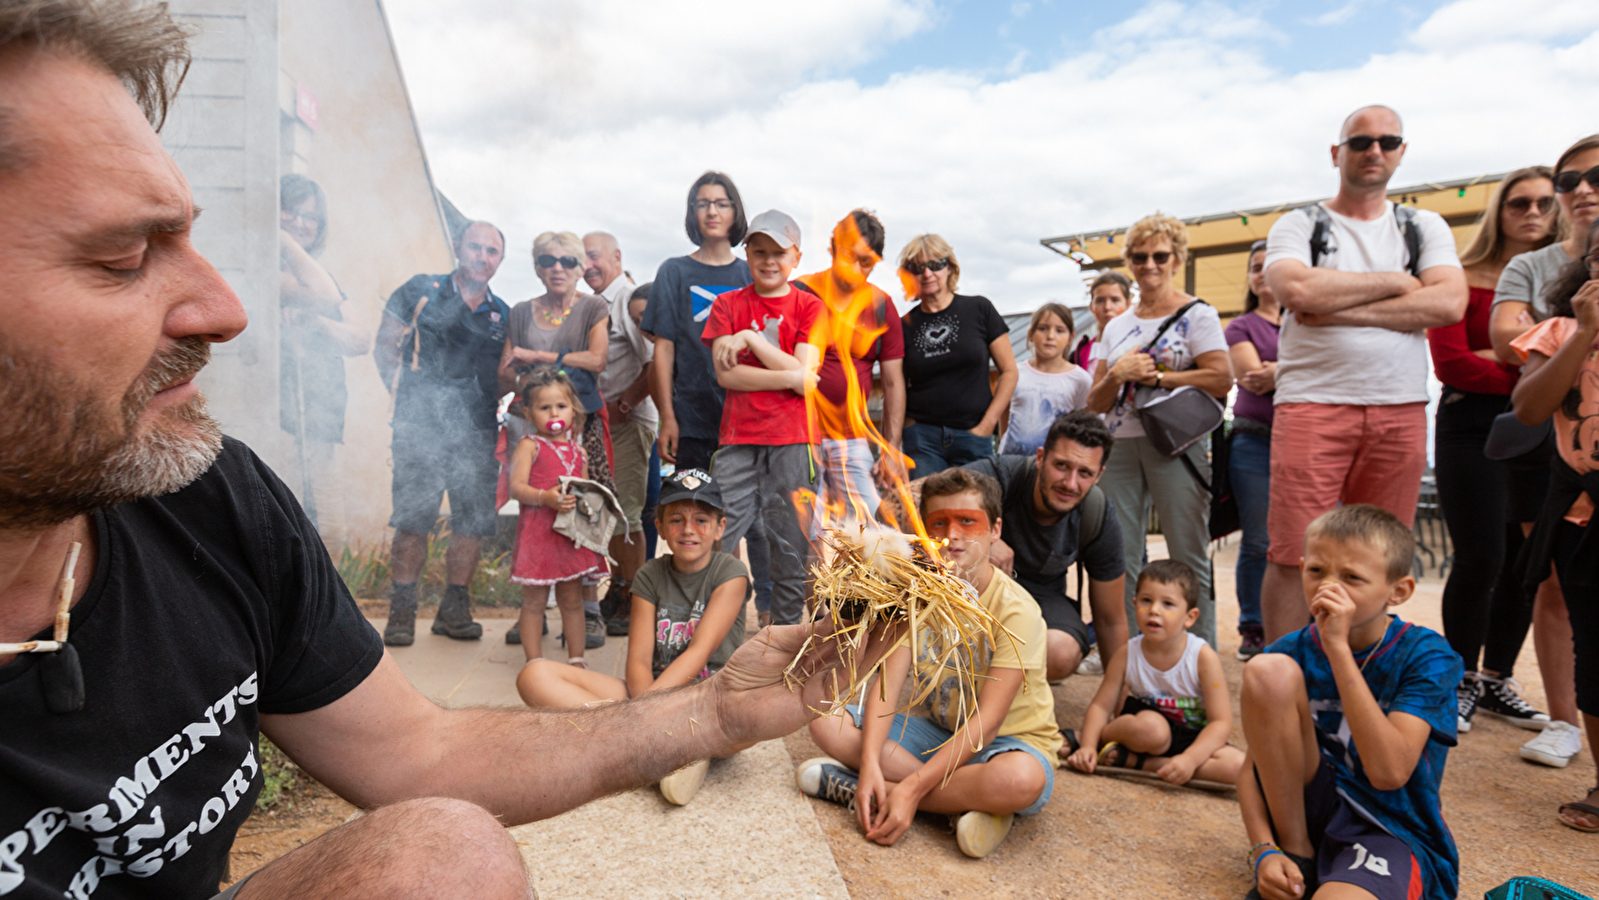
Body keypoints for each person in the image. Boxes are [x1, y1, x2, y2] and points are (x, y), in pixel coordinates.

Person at [0, 8, 863, 898]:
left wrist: (713, 713)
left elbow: (418, 749)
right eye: (122, 257)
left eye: (188, 237)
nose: (224, 309)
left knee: (443, 852)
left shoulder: (204, 498)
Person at [1260, 105, 1468, 643]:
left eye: (1387, 140)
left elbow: (1449, 303)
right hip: (1312, 404)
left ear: (1401, 151)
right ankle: (1290, 677)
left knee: (1378, 557)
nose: (1374, 150)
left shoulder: (1424, 226)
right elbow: (1297, 292)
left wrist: (1341, 308)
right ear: (1337, 153)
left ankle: (1357, 676)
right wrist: (1400, 284)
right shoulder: (1300, 223)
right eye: (1360, 141)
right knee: (1293, 554)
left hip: (1399, 407)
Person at [797, 468, 1058, 860]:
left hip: (1007, 744)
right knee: (824, 720)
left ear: (995, 529)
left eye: (968, 522)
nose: (952, 534)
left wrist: (912, 788)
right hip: (939, 733)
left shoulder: (1017, 610)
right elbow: (886, 685)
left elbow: (986, 725)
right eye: (939, 523)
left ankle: (872, 793)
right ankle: (960, 806)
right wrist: (869, 764)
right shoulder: (916, 593)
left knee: (1020, 781)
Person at [1239, 505, 1462, 900]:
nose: (1329, 588)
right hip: (1307, 815)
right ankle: (1298, 854)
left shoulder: (1426, 655)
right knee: (1267, 670)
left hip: (1390, 828)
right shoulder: (1289, 652)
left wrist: (1337, 650)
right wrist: (1264, 850)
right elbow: (1252, 767)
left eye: (1352, 578)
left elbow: (1388, 772)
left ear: (1399, 591)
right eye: (1316, 571)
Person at [516, 469, 750, 806]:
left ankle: (632, 748)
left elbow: (699, 651)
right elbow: (639, 660)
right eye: (676, 519)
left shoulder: (730, 573)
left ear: (719, 528)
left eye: (701, 520)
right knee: (534, 675)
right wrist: (644, 714)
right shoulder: (649, 574)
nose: (688, 530)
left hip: (707, 701)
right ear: (659, 527)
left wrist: (639, 718)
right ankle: (665, 752)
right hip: (649, 696)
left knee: (746, 718)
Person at [1430, 168, 1559, 738]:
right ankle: (1455, 680)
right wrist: (1533, 368)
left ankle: (1495, 677)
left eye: (1543, 203)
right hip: (1469, 425)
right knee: (1480, 554)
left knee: (1527, 562)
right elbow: (1451, 362)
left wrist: (1512, 357)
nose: (1532, 212)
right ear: (1498, 212)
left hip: (1542, 426)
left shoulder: (1566, 281)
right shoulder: (1462, 277)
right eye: (1518, 203)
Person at [1085, 213, 1232, 649]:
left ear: (1176, 258)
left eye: (1160, 256)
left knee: (1187, 552)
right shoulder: (1116, 325)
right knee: (1122, 555)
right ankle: (1130, 660)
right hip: (1121, 444)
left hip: (1178, 444)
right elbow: (1095, 401)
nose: (1150, 264)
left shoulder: (1198, 314)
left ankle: (1198, 657)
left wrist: (1161, 378)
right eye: (1140, 256)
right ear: (1129, 262)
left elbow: (1222, 378)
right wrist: (1118, 374)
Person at [641, 171, 775, 618]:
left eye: (721, 203)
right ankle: (705, 618)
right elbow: (663, 350)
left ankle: (751, 617)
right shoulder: (674, 272)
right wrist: (668, 417)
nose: (712, 211)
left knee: (748, 523)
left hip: (749, 422)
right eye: (702, 203)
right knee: (699, 518)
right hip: (695, 420)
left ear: (735, 212)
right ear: (692, 213)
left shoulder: (750, 271)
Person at [375, 217, 510, 646]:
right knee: (413, 520)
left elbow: (505, 376)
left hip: (478, 432)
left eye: (491, 251)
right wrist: (406, 399)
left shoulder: (502, 314)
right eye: (475, 247)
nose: (482, 257)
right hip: (420, 428)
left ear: (500, 259)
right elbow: (385, 345)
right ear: (457, 246)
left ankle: (454, 609)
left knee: (471, 524)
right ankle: (402, 609)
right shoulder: (420, 290)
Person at [1509, 222, 1599, 832]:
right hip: (1581, 515)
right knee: (1593, 648)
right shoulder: (1559, 332)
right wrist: (1586, 331)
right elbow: (1530, 408)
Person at [700, 209, 823, 627]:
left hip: (794, 440)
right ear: (747, 254)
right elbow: (726, 374)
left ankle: (783, 645)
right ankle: (720, 641)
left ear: (796, 258)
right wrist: (792, 376)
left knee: (789, 547)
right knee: (717, 540)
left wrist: (751, 337)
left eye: (779, 252)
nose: (769, 261)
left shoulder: (810, 307)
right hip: (738, 440)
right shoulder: (727, 304)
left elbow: (806, 381)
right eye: (759, 252)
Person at [499, 230, 612, 650]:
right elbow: (507, 368)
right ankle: (531, 611)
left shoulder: (593, 306)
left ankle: (589, 611)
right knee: (534, 508)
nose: (557, 268)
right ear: (536, 267)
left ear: (581, 266)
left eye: (567, 261)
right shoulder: (520, 311)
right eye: (548, 260)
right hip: (528, 422)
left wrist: (537, 358)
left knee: (584, 508)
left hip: (580, 421)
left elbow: (597, 360)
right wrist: (523, 379)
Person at [966, 410, 1128, 680]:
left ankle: (1002, 689)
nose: (1070, 483)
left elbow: (1110, 620)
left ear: (1099, 475)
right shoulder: (1001, 474)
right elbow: (910, 498)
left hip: (1041, 597)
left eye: (1085, 473)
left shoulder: (1098, 514)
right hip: (976, 590)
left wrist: (1118, 697)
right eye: (1062, 465)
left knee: (1061, 652)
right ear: (1041, 458)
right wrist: (981, 536)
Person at [1064, 560, 1243, 786]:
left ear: (1190, 617)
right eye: (1146, 601)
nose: (1154, 610)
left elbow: (1221, 722)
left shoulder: (1202, 657)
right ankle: (1099, 740)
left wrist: (1189, 759)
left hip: (1192, 735)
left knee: (1237, 768)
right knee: (1153, 731)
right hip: (1144, 726)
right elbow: (1101, 706)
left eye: (1168, 604)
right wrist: (1088, 745)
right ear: (1135, 604)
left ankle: (1133, 762)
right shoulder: (1127, 653)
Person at [797, 210, 906, 530]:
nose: (856, 269)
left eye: (867, 262)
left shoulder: (882, 305)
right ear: (833, 248)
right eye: (849, 257)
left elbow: (894, 383)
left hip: (852, 440)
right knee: (807, 536)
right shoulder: (799, 292)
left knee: (874, 532)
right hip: (802, 438)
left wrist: (891, 448)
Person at [277, 174, 369, 530]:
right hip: (283, 423)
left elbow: (361, 339)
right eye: (290, 211)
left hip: (319, 425)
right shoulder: (268, 270)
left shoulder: (317, 274)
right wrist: (283, 241)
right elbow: (325, 297)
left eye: (310, 216)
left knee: (330, 530)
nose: (300, 222)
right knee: (291, 525)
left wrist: (319, 325)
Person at [504, 369, 606, 668]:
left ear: (572, 409)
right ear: (529, 412)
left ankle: (576, 659)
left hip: (569, 537)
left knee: (572, 601)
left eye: (560, 406)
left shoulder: (580, 451)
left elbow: (585, 490)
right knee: (534, 602)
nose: (553, 413)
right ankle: (534, 661)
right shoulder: (529, 445)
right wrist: (545, 498)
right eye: (544, 407)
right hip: (539, 537)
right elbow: (516, 488)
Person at [897, 234, 1018, 476]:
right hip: (923, 439)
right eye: (918, 268)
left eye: (935, 264)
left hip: (974, 434)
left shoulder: (979, 309)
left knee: (978, 507)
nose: (928, 274)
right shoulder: (903, 325)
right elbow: (895, 384)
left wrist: (987, 425)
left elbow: (1010, 372)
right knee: (928, 511)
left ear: (950, 268)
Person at [587, 232, 656, 637]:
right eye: (584, 259)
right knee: (611, 514)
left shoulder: (627, 299)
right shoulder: (595, 302)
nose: (588, 265)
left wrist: (623, 406)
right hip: (604, 425)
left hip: (627, 425)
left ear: (616, 257)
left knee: (628, 517)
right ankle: (619, 587)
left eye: (595, 256)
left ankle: (634, 599)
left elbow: (653, 361)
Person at [1489, 136, 1599, 360]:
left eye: (1597, 177)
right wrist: (1582, 328)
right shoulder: (1528, 265)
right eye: (1568, 181)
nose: (1582, 189)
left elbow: (1519, 341)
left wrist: (1544, 331)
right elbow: (1504, 341)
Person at [1225, 240, 1281, 660]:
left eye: (1269, 265)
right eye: (1255, 267)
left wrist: (1279, 370)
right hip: (1254, 441)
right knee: (1258, 540)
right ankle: (1254, 625)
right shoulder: (1241, 326)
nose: (1261, 273)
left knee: (1307, 538)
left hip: (1308, 441)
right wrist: (1300, 370)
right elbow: (1250, 377)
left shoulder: (1309, 323)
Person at [997, 302, 1091, 457]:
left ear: (1070, 338)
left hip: (1054, 463)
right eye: (1043, 329)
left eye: (1060, 330)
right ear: (1031, 334)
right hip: (1011, 462)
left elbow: (1083, 423)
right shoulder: (1013, 372)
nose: (1050, 336)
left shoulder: (1080, 379)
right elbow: (1004, 413)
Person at [1071, 271, 1133, 370]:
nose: (1107, 307)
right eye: (1100, 300)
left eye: (1115, 300)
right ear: (1091, 306)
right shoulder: (1079, 353)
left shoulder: (1137, 345)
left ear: (1128, 303)